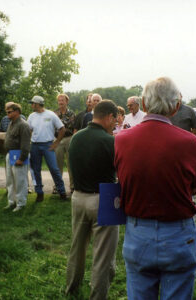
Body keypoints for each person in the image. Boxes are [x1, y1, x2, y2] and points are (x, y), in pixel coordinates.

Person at [114, 77, 196, 299]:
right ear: (176, 106)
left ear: (144, 105)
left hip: (138, 231)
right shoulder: (189, 141)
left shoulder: (122, 140)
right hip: (178, 232)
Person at [66, 100, 119, 299]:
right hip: (104, 197)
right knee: (103, 256)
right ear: (109, 116)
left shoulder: (76, 137)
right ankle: (97, 296)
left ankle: (71, 288)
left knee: (77, 248)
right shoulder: (110, 141)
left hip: (78, 197)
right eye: (115, 119)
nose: (116, 123)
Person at [27, 95, 67, 202]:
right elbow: (28, 130)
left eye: (33, 103)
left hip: (48, 145)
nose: (31, 105)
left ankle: (62, 192)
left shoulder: (50, 114)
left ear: (38, 104)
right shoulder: (31, 116)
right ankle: (39, 192)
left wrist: (56, 143)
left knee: (54, 169)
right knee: (36, 170)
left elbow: (62, 129)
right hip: (35, 145)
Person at [4, 103, 31, 212]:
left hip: (19, 155)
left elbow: (25, 144)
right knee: (10, 181)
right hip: (10, 154)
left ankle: (21, 204)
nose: (7, 114)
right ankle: (11, 202)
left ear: (17, 111)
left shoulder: (23, 125)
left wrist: (22, 158)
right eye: (7, 112)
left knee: (20, 181)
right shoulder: (11, 123)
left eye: (9, 112)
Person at [53, 94, 75, 194]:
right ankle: (57, 187)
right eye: (59, 100)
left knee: (71, 163)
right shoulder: (54, 113)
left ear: (67, 102)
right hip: (57, 140)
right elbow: (53, 126)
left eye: (63, 100)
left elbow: (68, 126)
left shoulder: (71, 113)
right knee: (57, 164)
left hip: (68, 138)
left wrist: (59, 125)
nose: (61, 102)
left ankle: (73, 186)